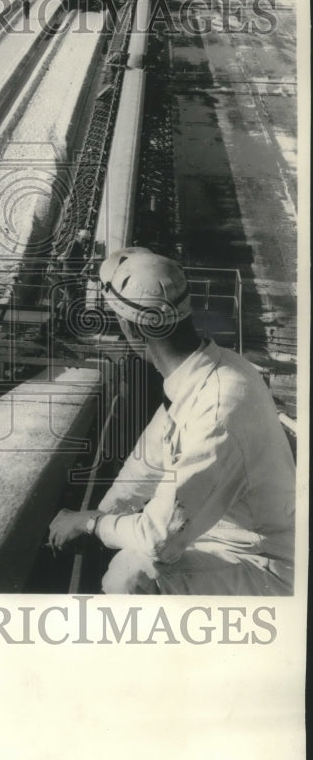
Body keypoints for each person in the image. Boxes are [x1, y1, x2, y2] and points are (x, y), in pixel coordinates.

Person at [47, 248, 295, 595]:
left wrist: (91, 524)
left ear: (131, 330)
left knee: (129, 576)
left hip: (263, 563)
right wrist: (102, 511)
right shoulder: (215, 370)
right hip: (229, 538)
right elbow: (149, 458)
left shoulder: (217, 411)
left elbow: (159, 539)